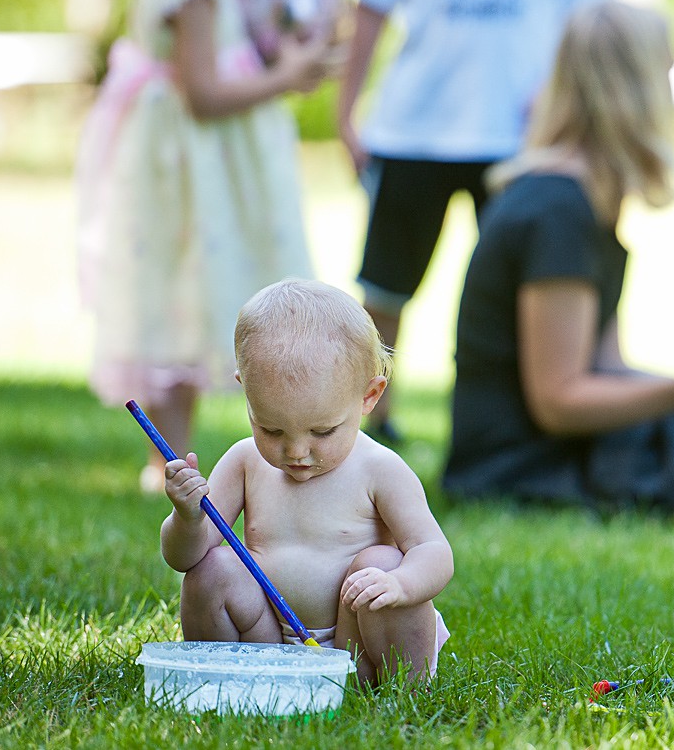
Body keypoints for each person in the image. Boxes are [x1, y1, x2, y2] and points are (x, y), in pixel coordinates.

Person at [444, 0, 674, 517]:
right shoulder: (557, 210)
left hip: (572, 440)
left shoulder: (587, 197)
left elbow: (605, 366)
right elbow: (559, 402)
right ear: (636, 89)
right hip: (520, 463)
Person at [335, 0, 611, 445]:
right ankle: (369, 427)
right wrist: (348, 110)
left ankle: (501, 430)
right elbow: (367, 5)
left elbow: (587, 23)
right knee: (386, 291)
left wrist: (572, 119)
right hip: (414, 129)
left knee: (520, 295)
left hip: (521, 144)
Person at [76, 0, 336, 493]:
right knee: (187, 285)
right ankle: (172, 457)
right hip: (192, 171)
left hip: (174, 163)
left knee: (175, 290)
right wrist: (288, 78)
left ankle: (170, 453)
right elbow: (204, 94)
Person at [160, 279, 454, 686]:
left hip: (359, 646)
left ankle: (404, 686)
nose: (297, 452)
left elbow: (434, 550)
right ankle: (224, 678)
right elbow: (184, 559)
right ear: (247, 392)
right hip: (270, 644)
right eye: (272, 430)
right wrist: (187, 517)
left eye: (323, 431)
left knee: (380, 563)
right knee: (213, 570)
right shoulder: (245, 461)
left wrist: (399, 584)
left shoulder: (380, 469)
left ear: (369, 396)